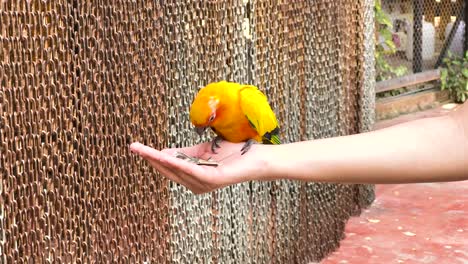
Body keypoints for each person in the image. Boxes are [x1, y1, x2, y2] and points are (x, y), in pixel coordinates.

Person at [130, 101, 468, 194]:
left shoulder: (246, 101)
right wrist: (265, 160)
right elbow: (458, 133)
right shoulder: (212, 113)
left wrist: (266, 147)